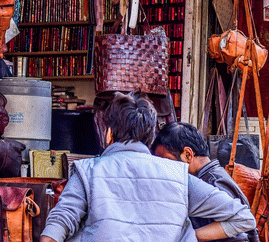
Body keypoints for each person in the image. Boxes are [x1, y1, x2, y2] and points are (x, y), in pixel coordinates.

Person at [40, 92, 256, 242]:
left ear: (109, 134)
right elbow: (243, 218)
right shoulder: (179, 176)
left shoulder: (88, 171)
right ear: (150, 136)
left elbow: (61, 221)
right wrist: (190, 237)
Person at [153, 122, 259, 242]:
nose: (164, 168)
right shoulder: (210, 177)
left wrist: (187, 237)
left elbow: (241, 232)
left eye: (168, 161)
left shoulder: (213, 182)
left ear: (188, 154)